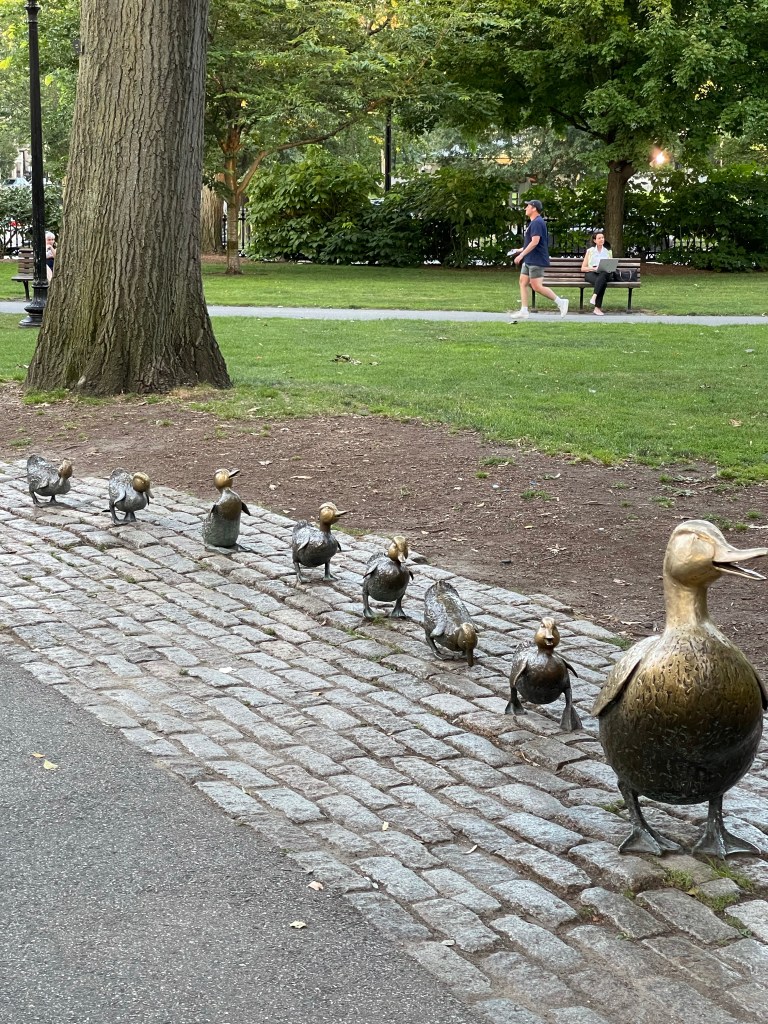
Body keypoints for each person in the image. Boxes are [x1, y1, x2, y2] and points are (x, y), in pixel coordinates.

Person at [510, 200, 568, 319]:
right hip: (529, 259)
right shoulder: (534, 222)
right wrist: (519, 250)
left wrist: (521, 255)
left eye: (528, 206)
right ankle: (524, 310)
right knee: (523, 282)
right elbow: (531, 242)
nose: (525, 208)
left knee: (536, 286)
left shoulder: (537, 222)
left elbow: (535, 242)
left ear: (534, 208)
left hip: (536, 260)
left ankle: (561, 302)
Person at [580, 231, 613, 316]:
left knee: (603, 274)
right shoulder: (590, 251)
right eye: (599, 238)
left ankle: (594, 296)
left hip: (605, 273)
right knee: (602, 283)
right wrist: (593, 268)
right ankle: (597, 308)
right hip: (592, 273)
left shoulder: (608, 251)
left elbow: (611, 266)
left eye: (602, 238)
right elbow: (583, 268)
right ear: (594, 240)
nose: (602, 239)